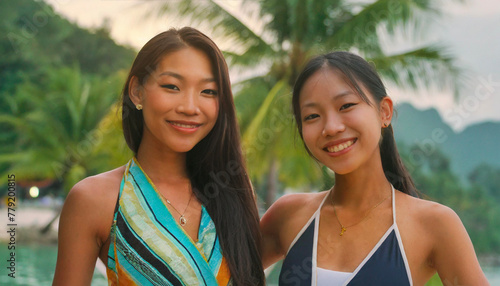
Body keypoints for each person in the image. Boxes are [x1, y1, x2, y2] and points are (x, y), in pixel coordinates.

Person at [53, 27, 265, 286]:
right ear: (137, 91)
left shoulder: (234, 191)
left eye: (208, 91)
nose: (189, 107)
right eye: (172, 86)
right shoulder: (96, 199)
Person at [260, 51, 489, 285]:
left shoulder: (433, 224)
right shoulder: (288, 216)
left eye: (346, 105)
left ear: (384, 112)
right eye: (312, 116)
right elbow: (224, 273)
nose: (331, 127)